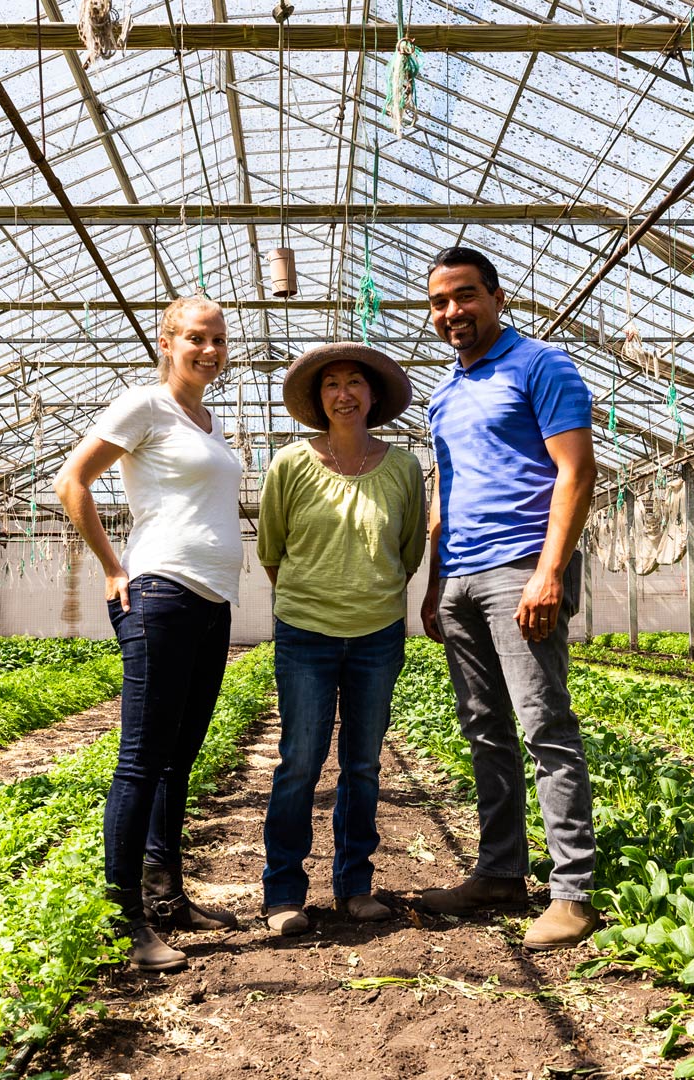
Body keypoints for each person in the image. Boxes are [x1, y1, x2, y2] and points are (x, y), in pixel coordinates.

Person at [417, 247, 599, 951]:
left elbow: (576, 470)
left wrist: (549, 572)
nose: (452, 312)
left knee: (543, 726)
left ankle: (572, 892)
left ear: (496, 296)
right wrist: (436, 585)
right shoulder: (442, 396)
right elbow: (445, 497)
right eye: (439, 302)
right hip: (461, 577)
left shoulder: (541, 366)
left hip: (520, 570)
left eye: (465, 296)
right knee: (483, 729)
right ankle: (498, 872)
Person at [53, 296, 242, 973]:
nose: (210, 350)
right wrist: (113, 566)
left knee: (177, 759)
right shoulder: (145, 404)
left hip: (210, 602)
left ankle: (167, 899)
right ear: (168, 341)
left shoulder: (208, 420)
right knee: (141, 759)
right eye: (196, 338)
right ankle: (122, 917)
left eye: (218, 339)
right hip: (158, 593)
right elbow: (72, 481)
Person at [257, 343, 425, 936]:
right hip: (305, 632)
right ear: (318, 399)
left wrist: (366, 595)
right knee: (299, 761)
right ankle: (283, 893)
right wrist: (315, 597)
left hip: (377, 634)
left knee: (361, 764)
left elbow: (408, 552)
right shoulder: (290, 465)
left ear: (374, 396)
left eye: (356, 382)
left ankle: (355, 886)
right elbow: (272, 551)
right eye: (332, 384)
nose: (344, 393)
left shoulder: (404, 468)